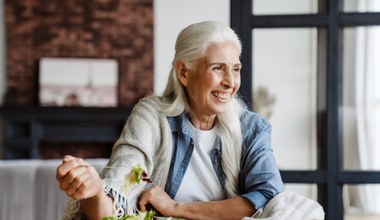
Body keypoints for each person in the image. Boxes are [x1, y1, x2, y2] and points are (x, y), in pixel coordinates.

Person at [56, 20, 284, 220]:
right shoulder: (152, 116)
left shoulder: (252, 129)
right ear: (184, 73)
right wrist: (95, 191)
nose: (230, 82)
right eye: (218, 68)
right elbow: (117, 195)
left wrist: (176, 208)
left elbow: (269, 198)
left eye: (235, 69)